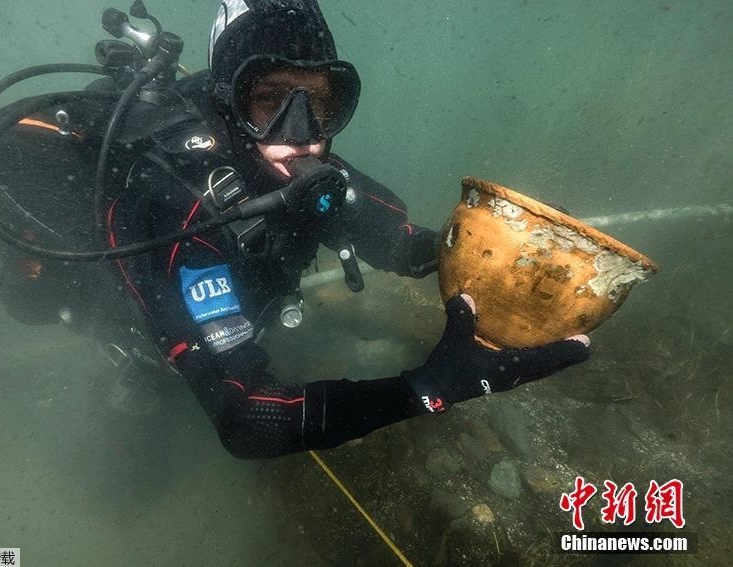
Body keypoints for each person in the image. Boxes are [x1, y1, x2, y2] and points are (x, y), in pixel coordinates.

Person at [106, 0, 590, 459]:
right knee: (139, 452)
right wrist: (431, 388)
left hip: (253, 315)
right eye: (269, 99)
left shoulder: (307, 172)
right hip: (143, 330)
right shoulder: (179, 208)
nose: (302, 134)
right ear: (229, 101)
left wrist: (500, 244)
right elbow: (246, 419)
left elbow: (400, 244)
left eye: (318, 101)